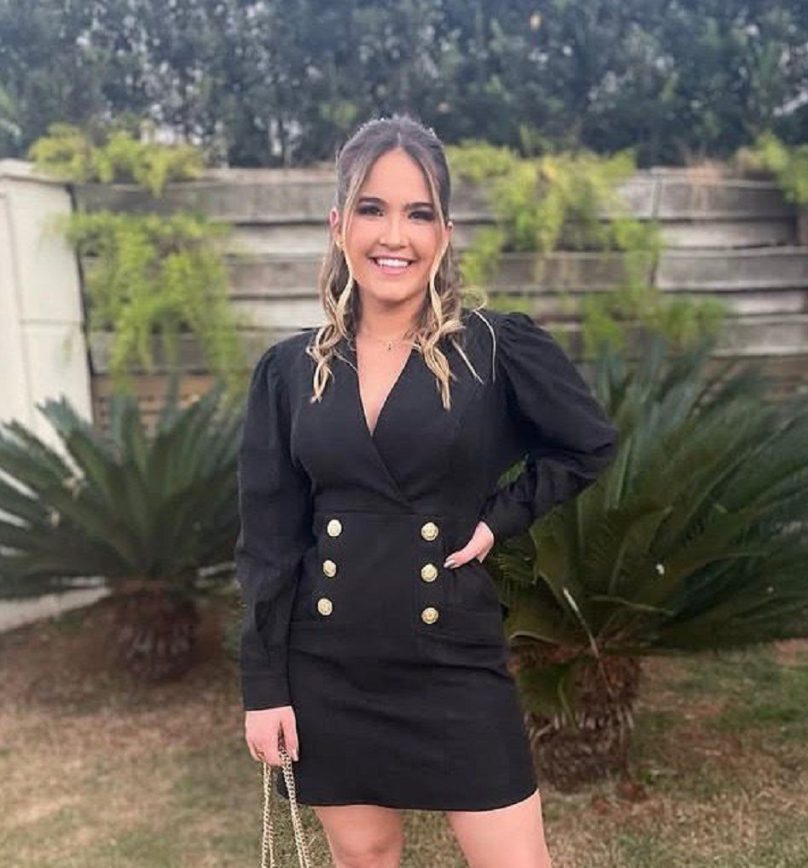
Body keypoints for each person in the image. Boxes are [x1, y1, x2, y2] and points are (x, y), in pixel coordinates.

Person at [236, 113, 618, 868]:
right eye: (372, 209)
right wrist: (264, 686)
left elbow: (588, 442)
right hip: (328, 662)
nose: (394, 236)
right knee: (366, 857)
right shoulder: (289, 371)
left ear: (445, 232)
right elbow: (268, 541)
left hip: (453, 656)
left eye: (418, 214)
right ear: (339, 224)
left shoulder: (493, 347)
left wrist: (498, 519)